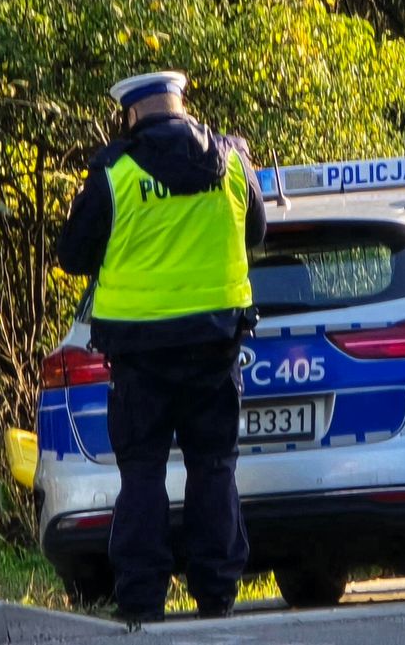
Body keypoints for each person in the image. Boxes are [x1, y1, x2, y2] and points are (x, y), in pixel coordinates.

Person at [57, 70, 266, 624]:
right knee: (214, 465)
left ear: (132, 113)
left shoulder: (114, 173)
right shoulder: (233, 164)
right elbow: (256, 235)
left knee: (143, 471)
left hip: (139, 351)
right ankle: (217, 591)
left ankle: (142, 598)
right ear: (181, 103)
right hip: (215, 343)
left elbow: (73, 256)